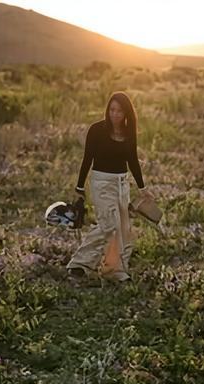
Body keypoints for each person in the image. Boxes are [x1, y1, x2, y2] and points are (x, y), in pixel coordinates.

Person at [66, 91, 150, 283]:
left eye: (119, 111)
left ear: (126, 113)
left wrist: (142, 187)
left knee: (122, 229)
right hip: (101, 183)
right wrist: (79, 187)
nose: (115, 114)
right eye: (112, 110)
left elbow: (133, 161)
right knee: (109, 224)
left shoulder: (129, 133)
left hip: (122, 184)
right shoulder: (97, 130)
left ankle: (114, 270)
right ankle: (79, 263)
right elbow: (87, 158)